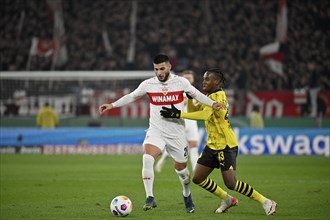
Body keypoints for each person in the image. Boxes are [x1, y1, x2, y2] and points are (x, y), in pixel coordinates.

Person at [98, 54, 221, 213]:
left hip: (176, 133)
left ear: (169, 67)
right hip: (156, 130)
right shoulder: (148, 84)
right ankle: (150, 197)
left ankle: (187, 195)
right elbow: (132, 96)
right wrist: (112, 105)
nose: (159, 72)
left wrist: (213, 103)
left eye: (162, 69)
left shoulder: (180, 82)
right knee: (147, 158)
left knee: (182, 171)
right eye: (156, 69)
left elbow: (197, 94)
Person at [160, 68, 277, 216]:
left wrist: (178, 113)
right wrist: (189, 98)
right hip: (212, 145)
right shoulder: (208, 96)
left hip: (226, 145)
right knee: (198, 178)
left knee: (231, 183)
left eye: (207, 79)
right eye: (203, 78)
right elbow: (194, 108)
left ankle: (266, 201)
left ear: (216, 81)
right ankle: (227, 199)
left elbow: (204, 115)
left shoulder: (218, 96)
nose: (204, 81)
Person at [155, 70, 200, 173]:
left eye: (190, 78)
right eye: (186, 78)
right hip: (180, 123)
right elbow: (181, 103)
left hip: (192, 123)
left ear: (193, 79)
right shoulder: (178, 91)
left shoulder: (194, 91)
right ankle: (162, 160)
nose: (188, 79)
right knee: (176, 148)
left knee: (194, 147)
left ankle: (196, 172)